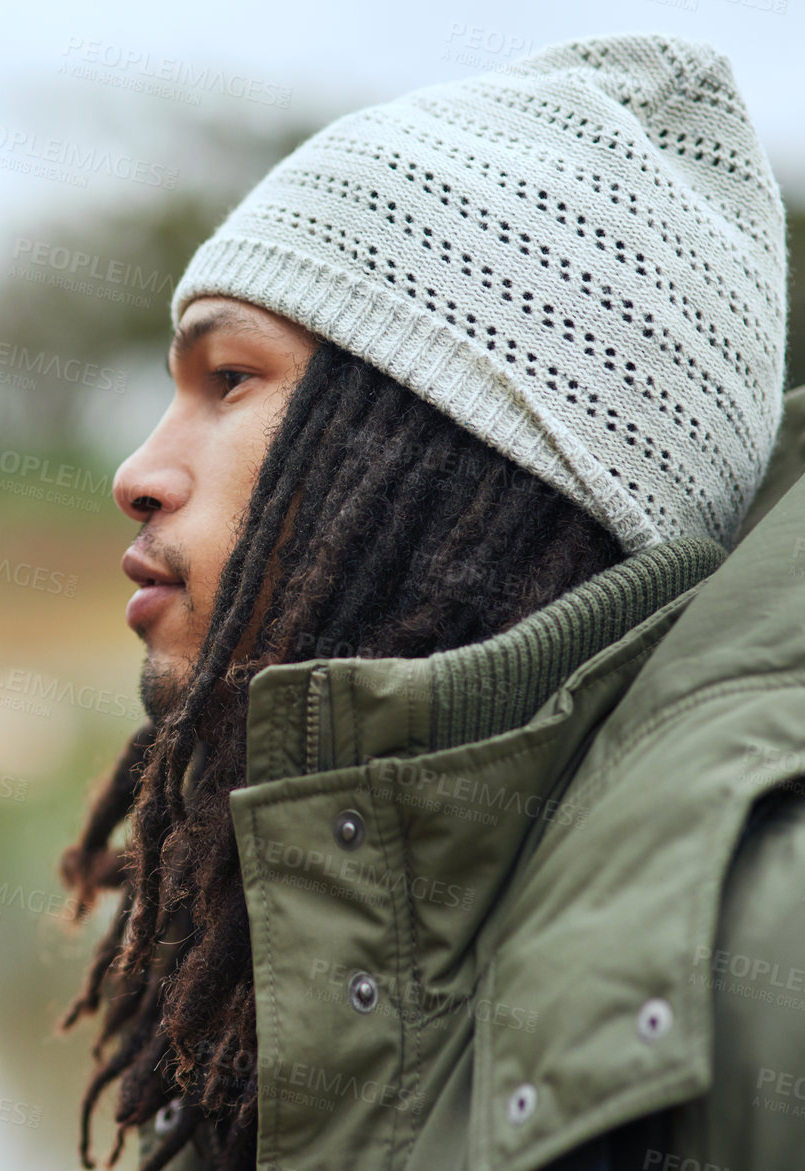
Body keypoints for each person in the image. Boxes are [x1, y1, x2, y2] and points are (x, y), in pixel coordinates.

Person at [57, 33, 805, 1171]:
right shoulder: (249, 925)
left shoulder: (765, 951)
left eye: (232, 379)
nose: (139, 472)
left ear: (457, 456)